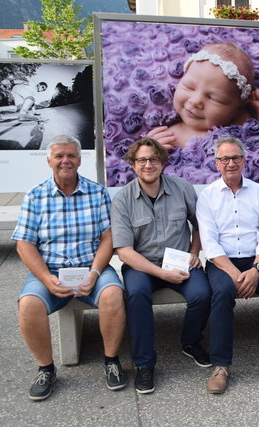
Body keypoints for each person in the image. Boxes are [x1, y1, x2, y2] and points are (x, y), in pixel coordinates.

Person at [12, 135, 126, 401]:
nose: (66, 161)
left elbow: (108, 237)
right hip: (50, 270)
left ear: (79, 159)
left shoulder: (97, 192)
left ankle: (111, 360)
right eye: (60, 156)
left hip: (91, 267)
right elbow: (24, 244)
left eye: (71, 156)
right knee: (29, 304)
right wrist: (46, 278)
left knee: (113, 295)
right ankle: (45, 369)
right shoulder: (36, 196)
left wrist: (95, 272)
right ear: (49, 160)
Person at [196, 136, 259, 394]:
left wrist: (257, 269)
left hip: (256, 260)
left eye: (235, 158)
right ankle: (220, 367)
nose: (230, 163)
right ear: (216, 163)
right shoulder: (207, 196)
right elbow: (209, 242)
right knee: (220, 293)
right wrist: (234, 273)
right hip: (223, 263)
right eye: (224, 158)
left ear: (244, 160)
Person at [110, 137, 212, 395]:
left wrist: (193, 252)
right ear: (133, 164)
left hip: (179, 260)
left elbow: (200, 223)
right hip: (142, 266)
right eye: (141, 160)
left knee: (202, 294)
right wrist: (161, 273)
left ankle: (190, 343)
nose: (148, 165)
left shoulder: (182, 188)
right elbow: (124, 251)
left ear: (162, 163)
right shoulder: (123, 199)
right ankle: (144, 364)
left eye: (153, 159)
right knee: (136, 294)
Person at [148, 42, 259, 151]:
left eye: (214, 98)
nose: (195, 101)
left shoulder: (243, 122)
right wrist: (150, 149)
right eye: (189, 87)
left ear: (239, 106)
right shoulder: (170, 135)